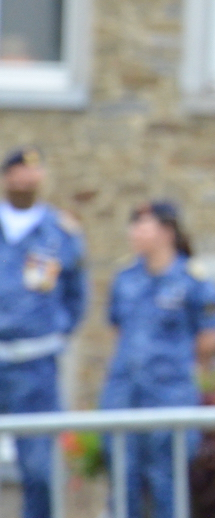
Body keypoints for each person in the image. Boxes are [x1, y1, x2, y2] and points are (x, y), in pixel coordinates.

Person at [99, 200, 215, 518]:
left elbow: (210, 338)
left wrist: (172, 368)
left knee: (167, 483)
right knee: (122, 481)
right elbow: (118, 328)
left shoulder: (192, 279)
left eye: (144, 225)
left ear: (168, 231)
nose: (135, 232)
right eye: (133, 225)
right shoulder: (126, 277)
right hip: (125, 393)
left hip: (169, 394)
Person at [0, 146, 87, 518]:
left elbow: (77, 295)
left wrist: (56, 335)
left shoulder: (60, 232)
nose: (25, 180)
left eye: (32, 173)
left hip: (35, 366)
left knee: (39, 470)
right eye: (18, 172)